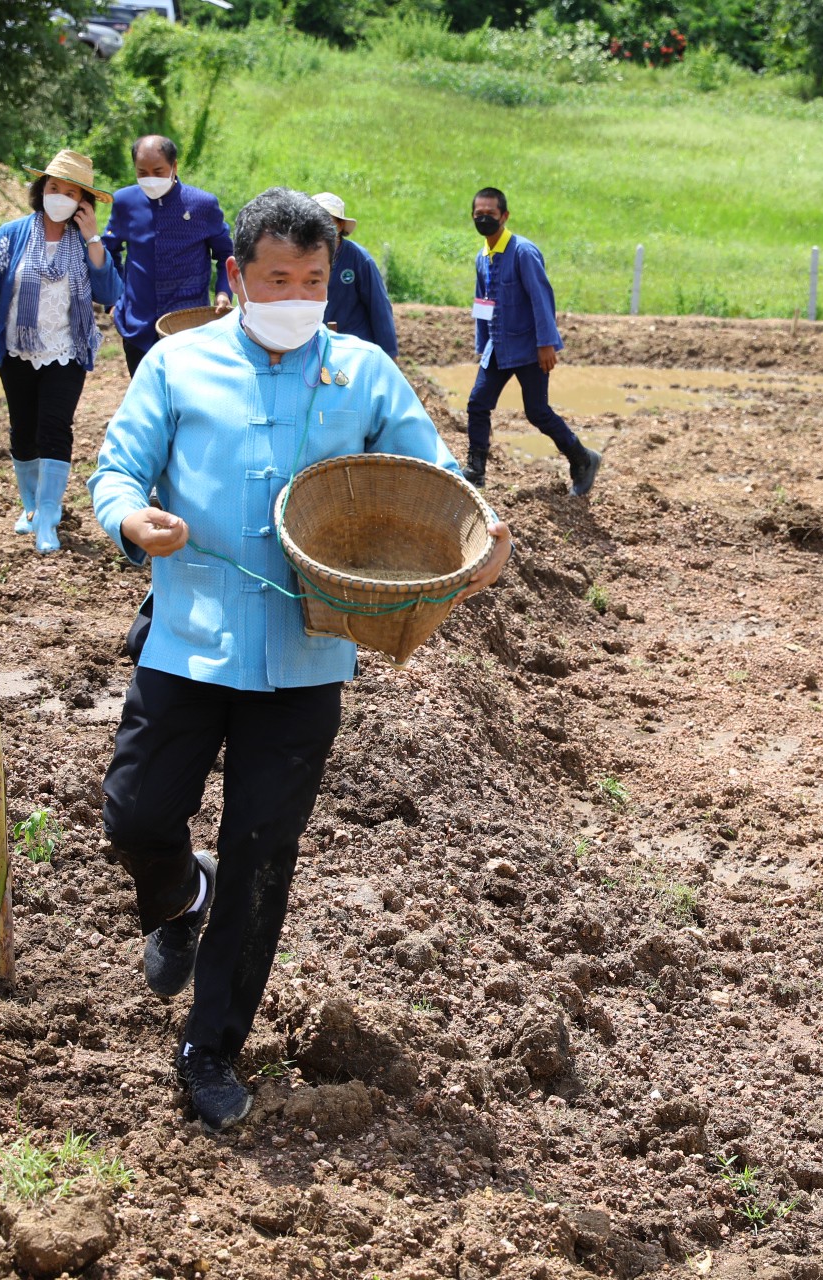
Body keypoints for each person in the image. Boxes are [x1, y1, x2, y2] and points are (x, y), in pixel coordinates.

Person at [89, 188, 511, 1132]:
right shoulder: (176, 364)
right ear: (236, 277)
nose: (296, 294)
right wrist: (129, 518)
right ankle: (174, 889)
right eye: (277, 278)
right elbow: (116, 469)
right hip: (189, 640)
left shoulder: (360, 374)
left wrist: (477, 533)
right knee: (134, 812)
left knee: (262, 856)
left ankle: (209, 1050)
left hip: (307, 659)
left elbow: (431, 478)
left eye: (314, 281)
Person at [0, 149, 122, 555]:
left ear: (84, 202)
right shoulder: (9, 236)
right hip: (16, 349)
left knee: (55, 429)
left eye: (70, 191)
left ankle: (49, 516)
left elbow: (110, 292)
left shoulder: (85, 244)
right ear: (41, 189)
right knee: (23, 430)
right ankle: (30, 509)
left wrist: (94, 237)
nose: (59, 196)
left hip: (66, 349)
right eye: (53, 187)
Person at [464, 186, 600, 496]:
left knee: (537, 412)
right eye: (478, 215)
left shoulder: (523, 252)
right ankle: (475, 470)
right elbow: (481, 303)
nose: (484, 219)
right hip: (497, 347)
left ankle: (582, 459)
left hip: (528, 348)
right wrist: (481, 343)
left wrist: (546, 344)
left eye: (490, 215)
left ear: (505, 216)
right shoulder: (482, 258)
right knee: (477, 403)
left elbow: (542, 300)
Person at [102, 135, 234, 376]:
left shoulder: (202, 205)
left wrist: (224, 291)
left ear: (174, 166)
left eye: (158, 170)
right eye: (142, 172)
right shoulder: (124, 202)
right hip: (137, 326)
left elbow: (226, 254)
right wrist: (113, 300)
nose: (150, 178)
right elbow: (109, 251)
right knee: (147, 401)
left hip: (189, 327)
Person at [311, 191, 397, 358]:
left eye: (327, 221)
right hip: (316, 348)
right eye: (315, 222)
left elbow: (379, 307)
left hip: (355, 350)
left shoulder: (359, 259)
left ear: (340, 225)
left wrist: (389, 354)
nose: (320, 228)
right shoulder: (302, 260)